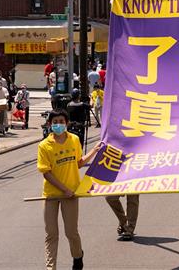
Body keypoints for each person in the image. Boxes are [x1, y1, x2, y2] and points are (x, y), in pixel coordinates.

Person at [37, 109, 102, 270]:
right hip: (51, 195)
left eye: (61, 121)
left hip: (71, 195)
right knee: (51, 234)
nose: (58, 125)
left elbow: (78, 163)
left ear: (67, 123)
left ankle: (78, 256)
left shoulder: (74, 140)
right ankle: (51, 267)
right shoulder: (44, 146)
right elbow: (46, 173)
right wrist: (63, 189)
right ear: (49, 124)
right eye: (55, 122)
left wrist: (94, 151)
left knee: (71, 232)